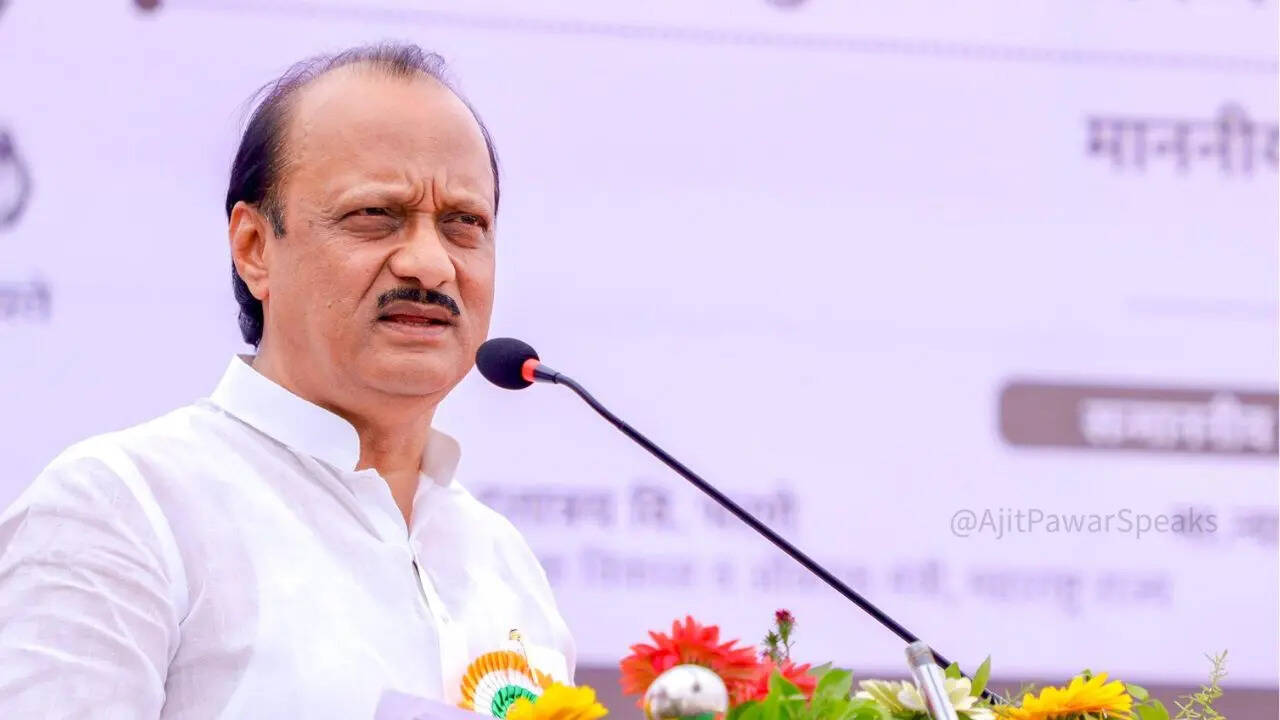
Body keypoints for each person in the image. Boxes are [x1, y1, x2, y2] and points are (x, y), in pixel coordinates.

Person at [0, 43, 573, 718]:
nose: (430, 263)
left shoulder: (504, 562)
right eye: (375, 215)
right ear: (254, 249)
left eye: (464, 224)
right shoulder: (122, 509)